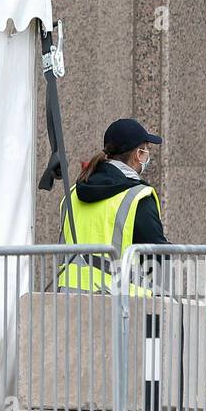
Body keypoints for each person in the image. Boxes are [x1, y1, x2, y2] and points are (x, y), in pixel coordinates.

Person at [58, 118, 167, 292]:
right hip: (120, 305)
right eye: (145, 150)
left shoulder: (72, 194)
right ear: (137, 154)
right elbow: (156, 255)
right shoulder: (138, 196)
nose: (147, 156)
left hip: (70, 302)